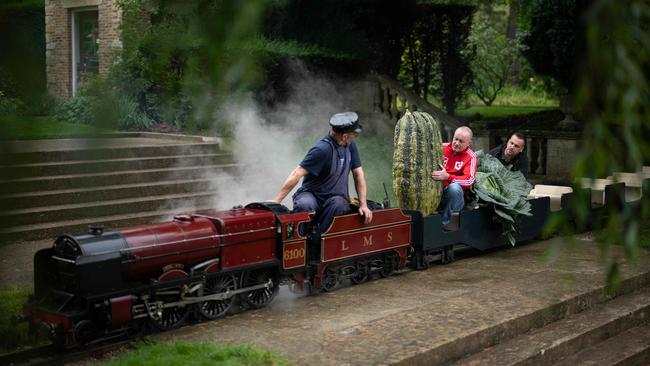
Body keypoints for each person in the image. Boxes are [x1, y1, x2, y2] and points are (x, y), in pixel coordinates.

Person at [272, 112, 373, 233]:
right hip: (312, 195)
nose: (355, 137)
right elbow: (297, 173)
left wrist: (363, 205)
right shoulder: (322, 150)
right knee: (305, 204)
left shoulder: (350, 146)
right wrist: (276, 201)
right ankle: (299, 240)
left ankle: (319, 240)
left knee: (339, 204)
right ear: (345, 136)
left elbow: (358, 174)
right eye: (354, 135)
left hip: (335, 198)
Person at [431, 126, 477, 227]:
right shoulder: (441, 147)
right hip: (436, 192)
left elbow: (469, 180)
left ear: (469, 143)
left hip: (456, 198)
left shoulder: (471, 156)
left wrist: (448, 177)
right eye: (455, 139)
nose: (456, 143)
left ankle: (441, 224)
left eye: (461, 141)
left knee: (454, 188)